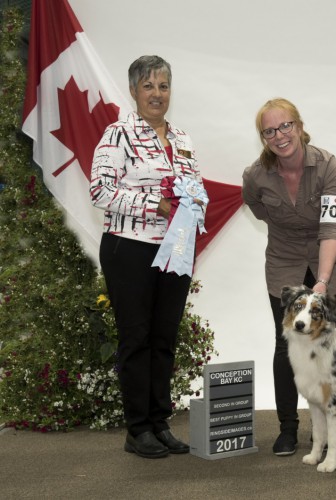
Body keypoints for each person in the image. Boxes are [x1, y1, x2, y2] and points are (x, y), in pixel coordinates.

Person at [90, 55, 206, 458]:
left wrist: (195, 208)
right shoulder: (116, 135)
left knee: (164, 338)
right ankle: (136, 428)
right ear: (134, 90)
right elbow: (100, 192)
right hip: (129, 248)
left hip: (175, 248)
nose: (157, 94)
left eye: (164, 86)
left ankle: (159, 423)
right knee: (136, 338)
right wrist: (154, 204)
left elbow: (193, 192)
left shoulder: (183, 139)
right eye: (149, 86)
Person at [242, 98, 336, 456]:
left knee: (325, 344)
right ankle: (287, 428)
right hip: (284, 259)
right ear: (263, 137)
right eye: (269, 131)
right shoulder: (255, 175)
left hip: (330, 256)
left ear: (300, 126)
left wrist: (322, 282)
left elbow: (331, 228)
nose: (279, 135)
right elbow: (257, 207)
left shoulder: (327, 166)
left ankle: (323, 429)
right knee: (286, 344)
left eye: (285, 126)